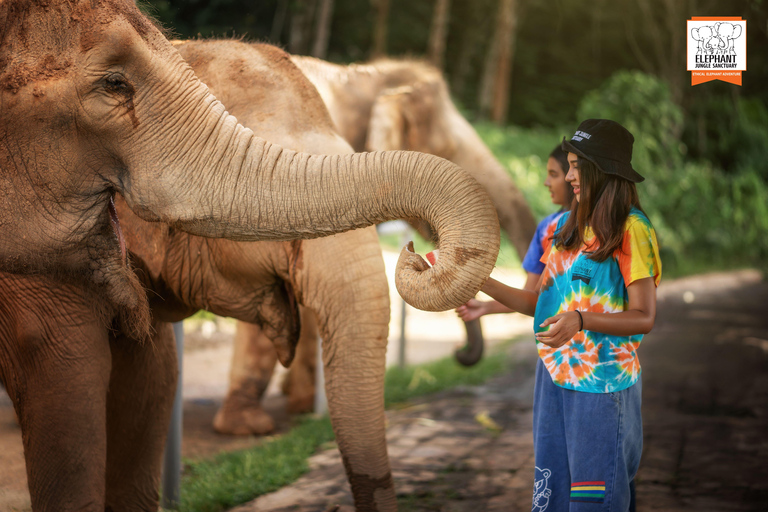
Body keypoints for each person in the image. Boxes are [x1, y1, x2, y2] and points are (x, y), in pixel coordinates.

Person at [460, 119, 661, 511]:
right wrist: (474, 280)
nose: (569, 176)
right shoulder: (568, 227)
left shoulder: (633, 230)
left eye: (575, 166)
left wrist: (582, 319)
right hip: (552, 378)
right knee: (552, 496)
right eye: (567, 165)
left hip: (601, 388)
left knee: (594, 501)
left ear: (602, 169)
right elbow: (542, 305)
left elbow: (644, 317)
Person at [457, 145, 575, 323]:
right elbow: (531, 296)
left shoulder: (606, 226)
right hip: (558, 346)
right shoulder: (546, 229)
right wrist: (485, 307)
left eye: (554, 174)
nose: (546, 182)